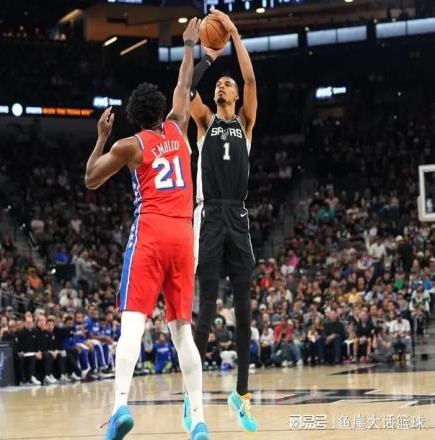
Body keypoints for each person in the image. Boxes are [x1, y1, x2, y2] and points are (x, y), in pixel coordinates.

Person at [85, 18, 209, 440]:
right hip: (184, 236)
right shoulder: (178, 124)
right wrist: (189, 44)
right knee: (182, 332)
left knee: (133, 326)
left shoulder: (130, 146)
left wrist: (101, 137)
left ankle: (120, 406)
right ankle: (199, 419)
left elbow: (91, 179)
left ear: (134, 118)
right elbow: (184, 82)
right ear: (160, 110)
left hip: (152, 234)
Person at [185, 8, 258, 432]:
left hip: (239, 215)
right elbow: (185, 89)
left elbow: (250, 79)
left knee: (245, 311)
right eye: (219, 83)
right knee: (208, 309)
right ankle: (192, 400)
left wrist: (233, 32)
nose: (222, 85)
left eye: (226, 83)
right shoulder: (204, 121)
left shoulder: (245, 122)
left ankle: (241, 394)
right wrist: (207, 56)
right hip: (210, 214)